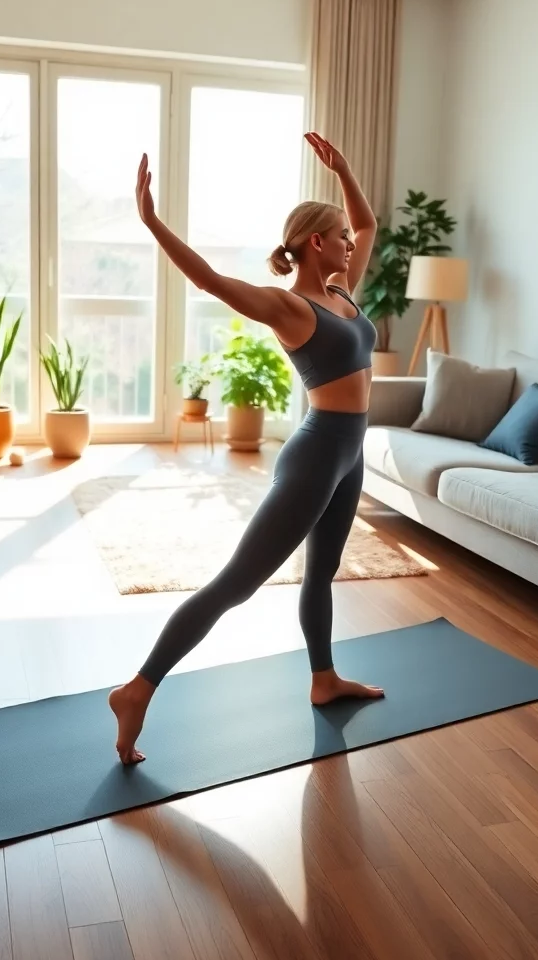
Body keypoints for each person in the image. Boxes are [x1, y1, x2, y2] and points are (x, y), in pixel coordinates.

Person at [109, 133, 384, 764]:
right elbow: (209, 279)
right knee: (237, 583)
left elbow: (368, 223)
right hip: (317, 453)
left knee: (321, 572)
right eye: (339, 237)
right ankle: (137, 689)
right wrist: (152, 222)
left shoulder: (342, 291)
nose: (350, 244)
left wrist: (344, 170)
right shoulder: (291, 308)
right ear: (314, 243)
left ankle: (323, 679)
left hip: (351, 453)